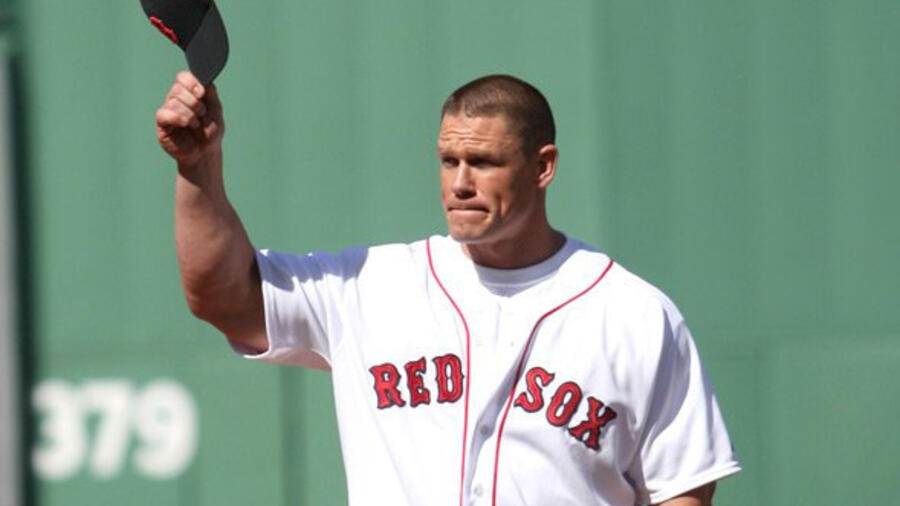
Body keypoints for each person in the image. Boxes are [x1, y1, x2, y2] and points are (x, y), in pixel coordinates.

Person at [155, 71, 741, 506]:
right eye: (448, 160)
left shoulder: (632, 312)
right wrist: (198, 170)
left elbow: (682, 487)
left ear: (543, 167)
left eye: (482, 162)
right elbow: (222, 298)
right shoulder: (374, 285)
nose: (460, 182)